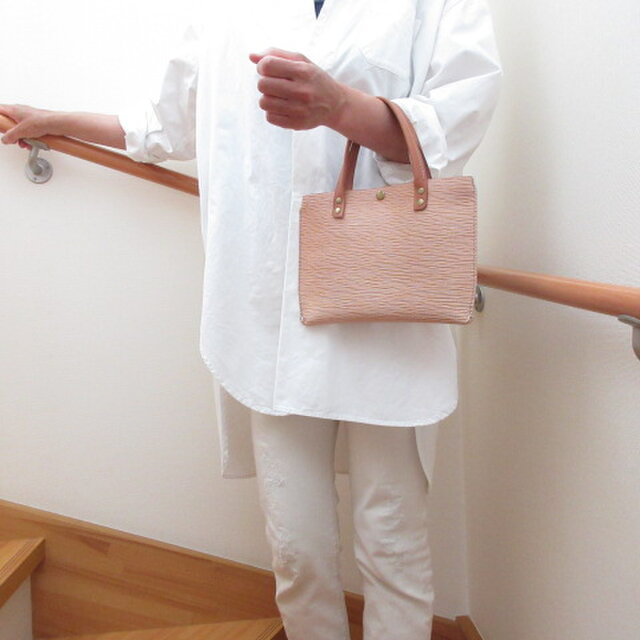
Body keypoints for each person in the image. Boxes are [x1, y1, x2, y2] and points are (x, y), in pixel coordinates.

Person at [0, 0, 501, 638]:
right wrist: (54, 120)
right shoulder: (223, 10)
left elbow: (458, 117)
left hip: (383, 304)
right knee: (296, 545)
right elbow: (163, 125)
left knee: (393, 536)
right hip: (267, 311)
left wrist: (339, 106)